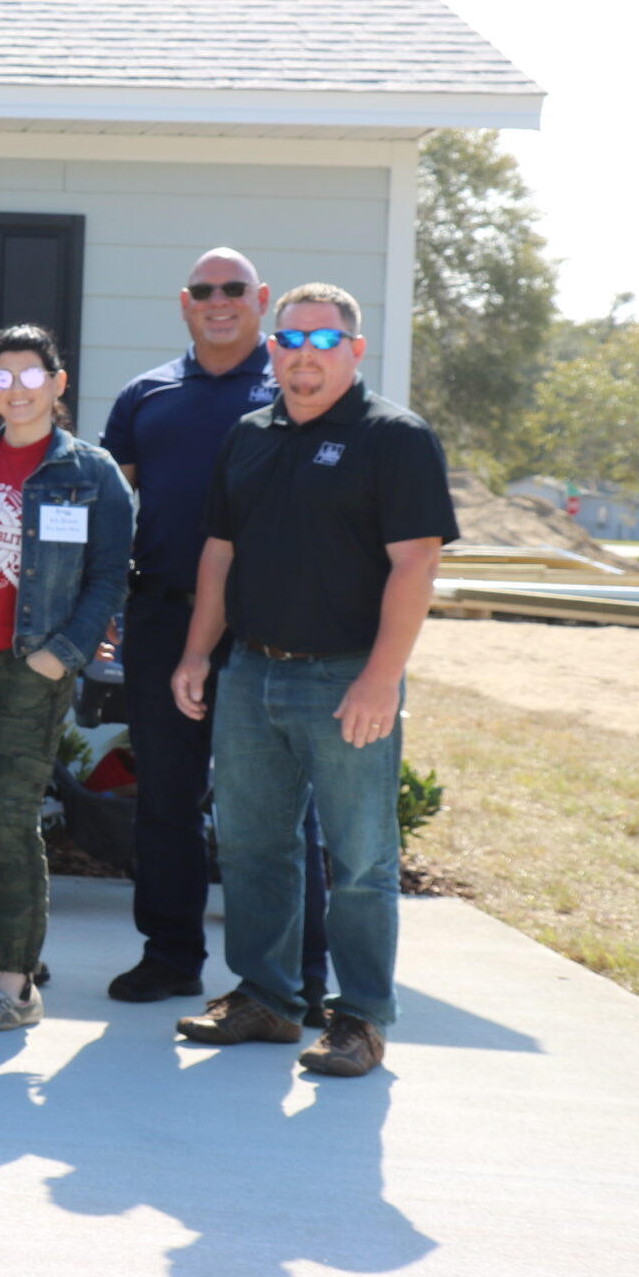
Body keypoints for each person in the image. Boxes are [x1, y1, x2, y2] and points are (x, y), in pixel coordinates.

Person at [171, 283, 456, 1079]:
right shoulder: (249, 434)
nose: (304, 353)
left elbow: (417, 561)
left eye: (324, 341)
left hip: (344, 680)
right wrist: (199, 654)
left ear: (355, 350)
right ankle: (266, 997)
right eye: (291, 338)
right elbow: (219, 553)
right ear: (273, 347)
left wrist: (381, 678)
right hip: (251, 671)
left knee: (360, 859)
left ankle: (361, 1017)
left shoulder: (394, 438)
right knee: (255, 846)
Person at [100, 249, 333, 1009]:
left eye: (235, 288)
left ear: (261, 298)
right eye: (204, 291)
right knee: (165, 797)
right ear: (184, 303)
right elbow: (109, 510)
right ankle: (170, 954)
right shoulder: (147, 395)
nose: (219, 300)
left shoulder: (295, 389)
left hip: (272, 626)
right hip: (163, 614)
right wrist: (98, 602)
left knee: (276, 808)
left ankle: (297, 970)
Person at [0, 325, 130, 1031]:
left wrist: (59, 654)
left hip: (28, 669)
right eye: (1, 376)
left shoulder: (90, 472)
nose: (15, 388)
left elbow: (107, 579)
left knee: (11, 820)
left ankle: (20, 983)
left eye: (30, 375)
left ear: (57, 384)